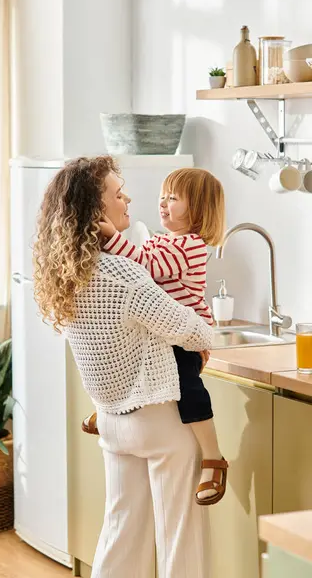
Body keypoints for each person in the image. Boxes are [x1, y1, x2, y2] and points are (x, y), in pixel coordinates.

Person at [33, 156, 213, 578]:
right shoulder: (125, 274)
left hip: (112, 420)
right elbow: (196, 333)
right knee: (179, 538)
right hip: (159, 422)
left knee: (121, 530)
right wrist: (201, 332)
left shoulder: (69, 273)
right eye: (118, 193)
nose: (127, 197)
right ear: (98, 211)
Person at [82, 167, 228, 505]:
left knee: (189, 390)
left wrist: (112, 237)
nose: (163, 204)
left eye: (173, 198)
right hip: (165, 332)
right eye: (163, 196)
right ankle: (113, 407)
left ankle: (213, 457)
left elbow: (149, 265)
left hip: (184, 338)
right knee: (123, 355)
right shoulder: (163, 239)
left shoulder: (190, 246)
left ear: (199, 209)